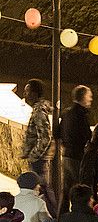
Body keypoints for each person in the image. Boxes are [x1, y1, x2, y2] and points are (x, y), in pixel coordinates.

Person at [19, 80, 55, 208]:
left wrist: (33, 155)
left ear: (34, 93)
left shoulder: (39, 111)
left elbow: (45, 137)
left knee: (44, 190)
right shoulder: (37, 109)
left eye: (27, 91)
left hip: (40, 159)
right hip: (40, 158)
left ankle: (54, 218)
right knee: (42, 190)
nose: (25, 94)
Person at [58, 85, 93, 200]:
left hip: (66, 155)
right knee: (79, 190)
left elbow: (58, 133)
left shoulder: (67, 113)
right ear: (83, 97)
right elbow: (87, 136)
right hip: (78, 157)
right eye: (89, 97)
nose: (91, 99)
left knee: (66, 190)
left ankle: (62, 215)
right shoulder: (81, 115)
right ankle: (77, 214)